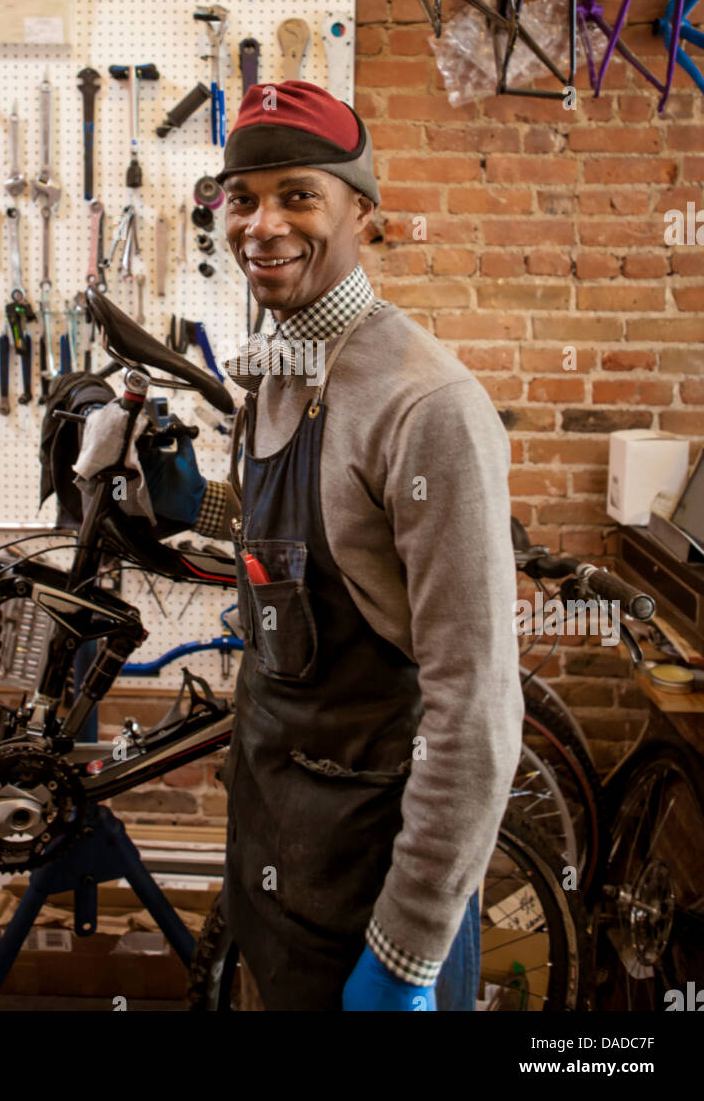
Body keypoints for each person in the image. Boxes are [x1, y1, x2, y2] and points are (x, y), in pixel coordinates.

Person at [139, 80, 524, 1011]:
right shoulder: (280, 363)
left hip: (372, 887)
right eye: (243, 198)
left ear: (363, 211)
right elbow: (301, 549)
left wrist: (407, 954)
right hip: (279, 848)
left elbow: (475, 717)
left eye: (298, 195)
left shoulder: (426, 406)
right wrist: (188, 499)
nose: (261, 225)